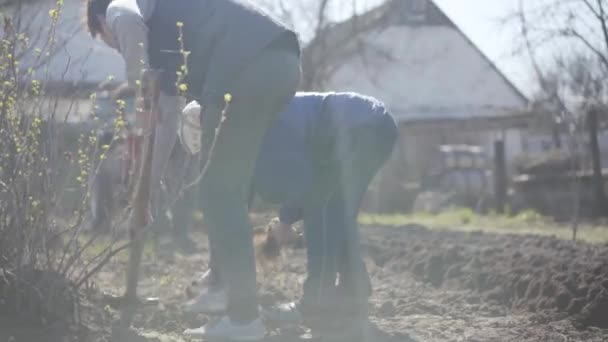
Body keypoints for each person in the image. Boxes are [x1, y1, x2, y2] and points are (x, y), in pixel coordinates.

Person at [85, 0, 301, 340]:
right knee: (229, 190)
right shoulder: (167, 41)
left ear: (100, 22)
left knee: (219, 192)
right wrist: (146, 192)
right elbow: (167, 120)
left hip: (245, 68)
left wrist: (138, 76)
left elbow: (125, 20)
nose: (116, 47)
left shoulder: (120, 10)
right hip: (279, 63)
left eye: (107, 41)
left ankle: (244, 321)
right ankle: (228, 303)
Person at [185, 92, 399, 339]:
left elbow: (298, 181)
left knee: (324, 211)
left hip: (361, 128)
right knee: (336, 214)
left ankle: (317, 308)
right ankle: (353, 297)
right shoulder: (253, 120)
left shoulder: (265, 126)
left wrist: (285, 221)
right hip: (369, 126)